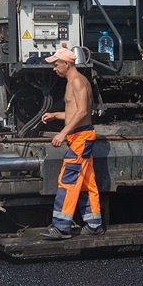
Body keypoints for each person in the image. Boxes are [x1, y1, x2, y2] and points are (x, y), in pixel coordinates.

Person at [40, 48, 104, 240]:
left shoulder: (76, 81)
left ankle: (61, 226)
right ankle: (94, 224)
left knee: (68, 180)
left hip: (80, 138)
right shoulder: (72, 82)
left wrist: (62, 133)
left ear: (66, 64)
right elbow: (75, 112)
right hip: (79, 137)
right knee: (86, 182)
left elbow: (83, 112)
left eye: (56, 64)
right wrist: (55, 115)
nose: (54, 68)